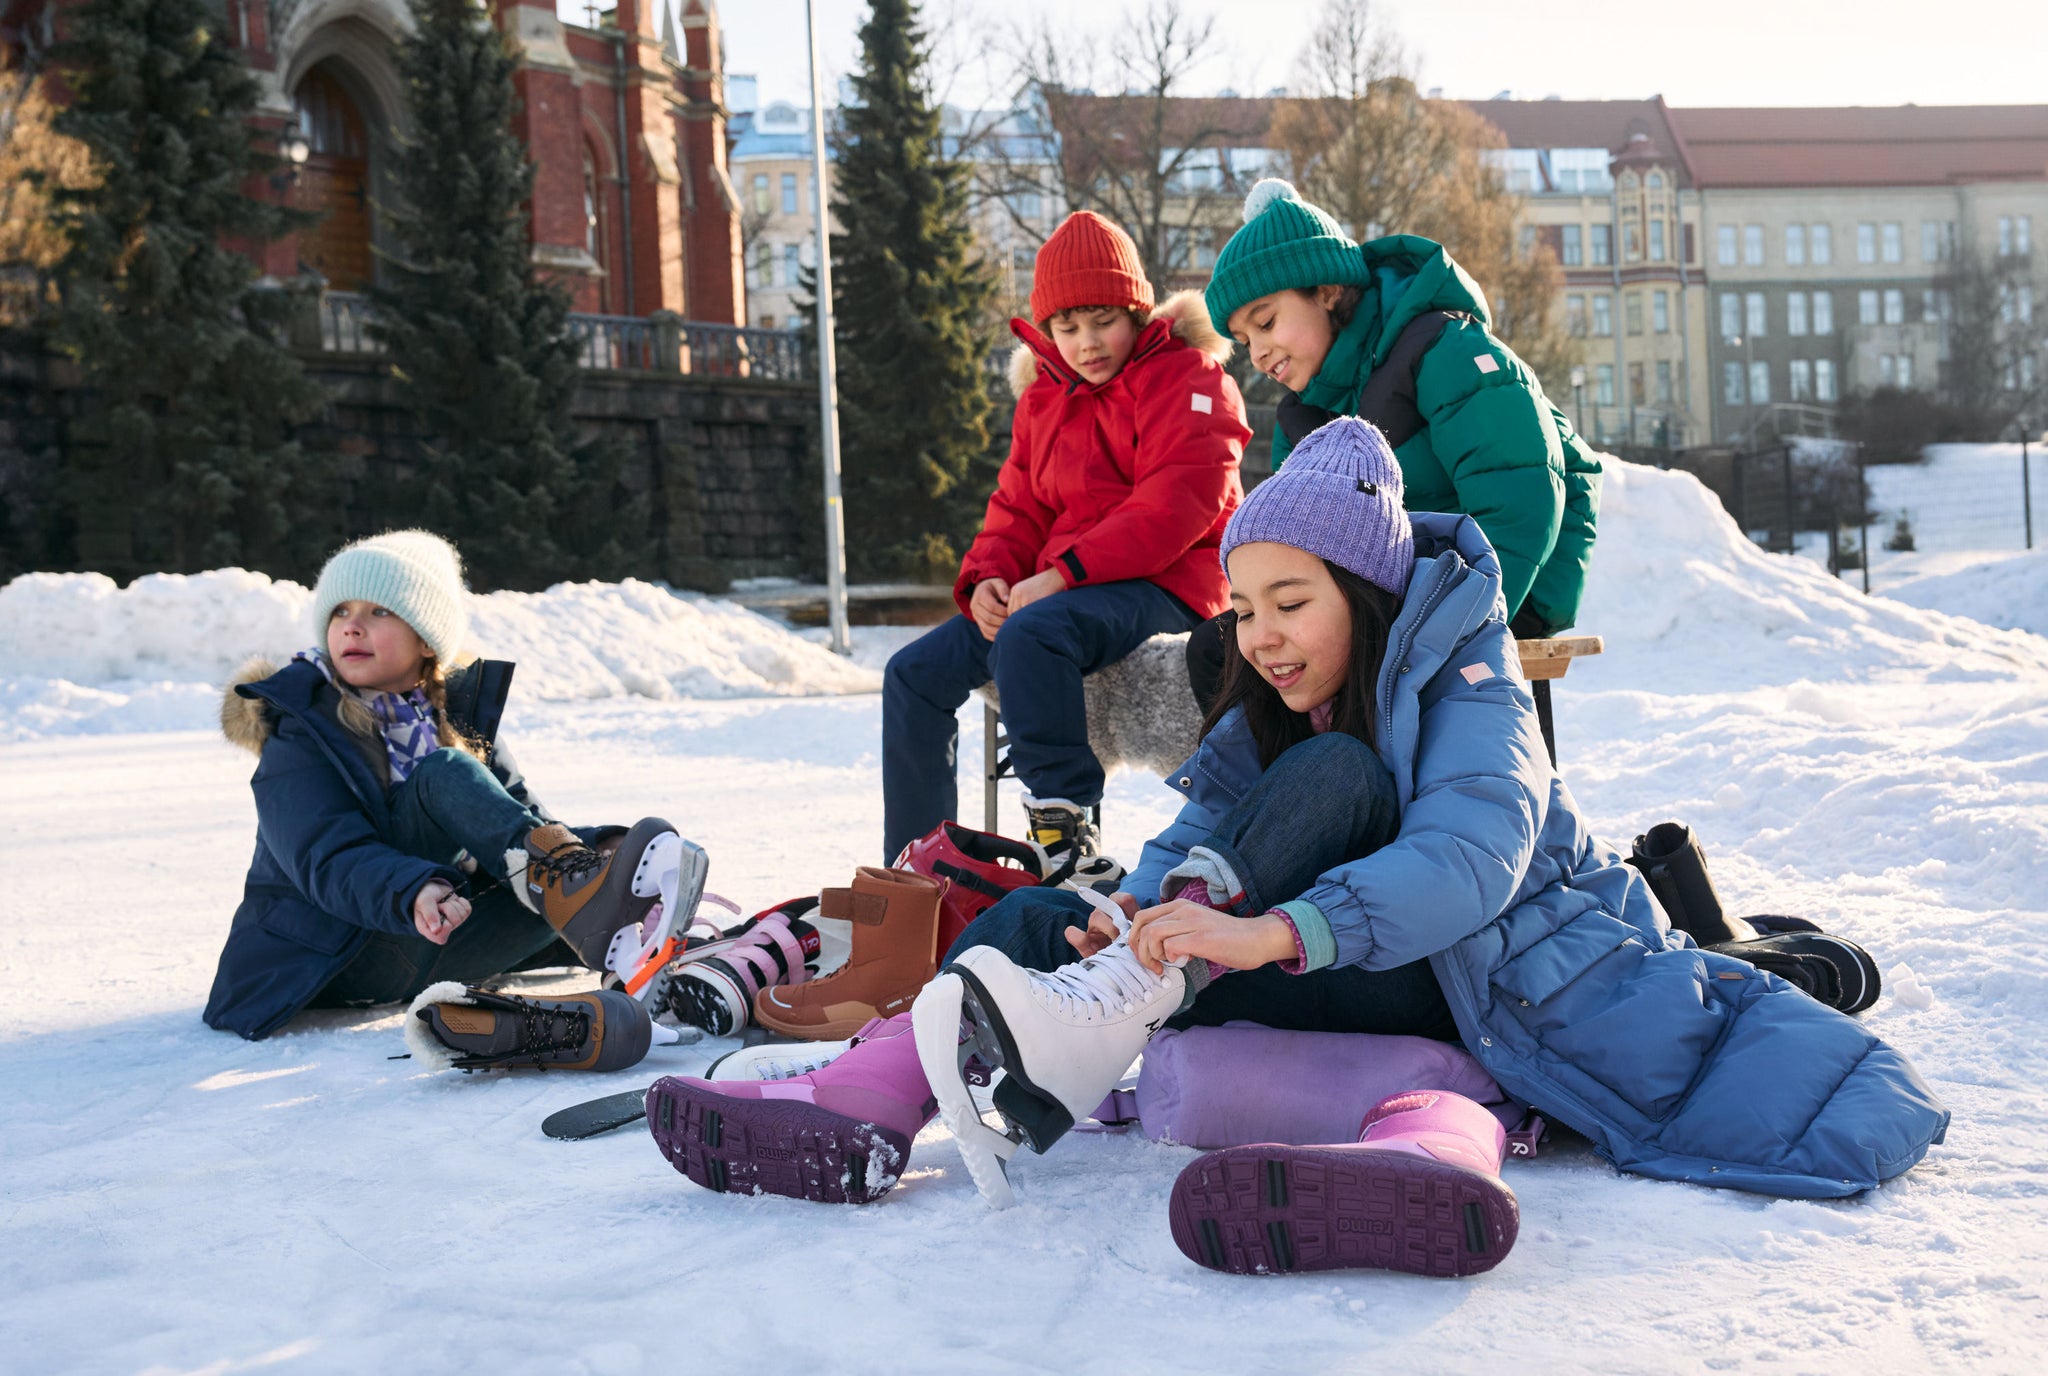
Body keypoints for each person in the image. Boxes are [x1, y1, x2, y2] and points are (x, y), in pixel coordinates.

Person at [646, 419, 1948, 1257]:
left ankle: (1401, 1142)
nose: (1260, 635)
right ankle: (868, 1111)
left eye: (1290, 602)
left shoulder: (1470, 690)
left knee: (1327, 777)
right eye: (1244, 605)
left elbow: (1468, 864)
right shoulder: (1269, 702)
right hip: (1336, 983)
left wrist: (1264, 930)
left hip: (1477, 984)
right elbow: (1195, 831)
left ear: (1367, 593)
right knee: (1051, 919)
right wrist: (1138, 919)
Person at [206, 530, 684, 1042]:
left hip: (437, 941)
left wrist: (601, 852)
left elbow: (521, 828)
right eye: (340, 612)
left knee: (551, 891)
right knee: (445, 773)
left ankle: (650, 952)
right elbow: (325, 856)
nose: (352, 627)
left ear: (426, 638)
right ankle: (601, 907)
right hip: (335, 959)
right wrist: (413, 888)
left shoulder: (456, 718)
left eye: (379, 612)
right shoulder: (302, 728)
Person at [881, 210, 1250, 864]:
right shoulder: (1044, 398)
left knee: (1033, 632)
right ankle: (919, 863)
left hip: (1170, 582)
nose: (1088, 343)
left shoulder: (1190, 377)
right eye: (1067, 327)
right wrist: (988, 579)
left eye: (1104, 320)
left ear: (1137, 313)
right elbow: (1017, 506)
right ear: (1047, 331)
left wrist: (1061, 575)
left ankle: (1065, 834)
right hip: (1067, 588)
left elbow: (1178, 504)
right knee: (912, 673)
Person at [1183, 178, 1603, 711]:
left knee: (1358, 658)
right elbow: (1289, 546)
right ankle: (1286, 791)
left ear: (1327, 291)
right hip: (1390, 592)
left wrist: (1453, 624)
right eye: (1245, 342)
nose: (1259, 353)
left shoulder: (1445, 349)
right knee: (1218, 654)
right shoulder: (1305, 416)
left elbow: (1520, 497)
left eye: (1266, 322)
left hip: (1503, 583)